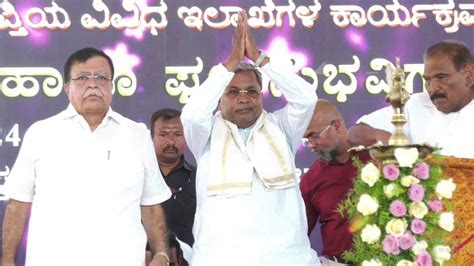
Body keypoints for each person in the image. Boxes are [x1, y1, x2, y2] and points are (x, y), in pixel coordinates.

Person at [2, 48, 171, 266]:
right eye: (82, 78)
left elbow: (151, 204)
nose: (93, 84)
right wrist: (7, 260)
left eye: (101, 77)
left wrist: (162, 253)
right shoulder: (41, 133)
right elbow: (18, 203)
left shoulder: (137, 135)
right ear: (66, 88)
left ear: (112, 86)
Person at [180, 11, 319, 265]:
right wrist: (231, 62)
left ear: (261, 95)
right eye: (233, 92)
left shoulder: (282, 127)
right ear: (219, 98)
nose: (243, 98)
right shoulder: (206, 133)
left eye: (251, 91)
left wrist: (259, 58)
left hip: (286, 259)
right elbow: (191, 114)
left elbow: (307, 99)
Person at [348, 40, 474, 158]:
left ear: (468, 75)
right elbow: (354, 133)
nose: (432, 88)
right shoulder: (415, 104)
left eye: (441, 77)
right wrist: (391, 142)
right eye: (427, 80)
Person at [300, 100, 371, 266]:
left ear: (337, 126)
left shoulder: (376, 157)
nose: (311, 145)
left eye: (314, 136)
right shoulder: (311, 179)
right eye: (307, 139)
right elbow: (299, 236)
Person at [149, 108, 196, 264]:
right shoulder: (138, 176)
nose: (170, 141)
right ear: (151, 137)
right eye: (163, 135)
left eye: (177, 135)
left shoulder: (199, 177)